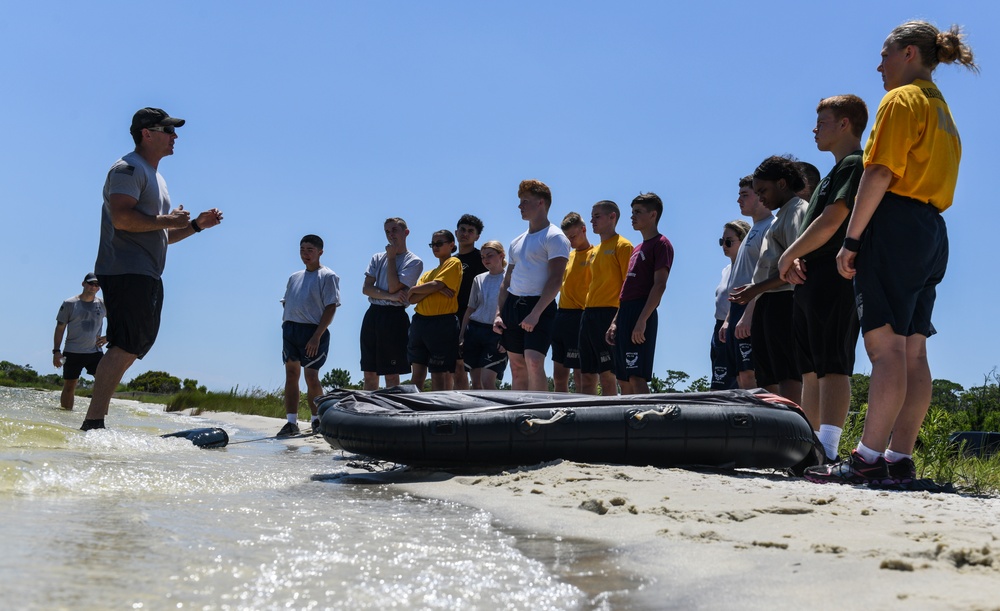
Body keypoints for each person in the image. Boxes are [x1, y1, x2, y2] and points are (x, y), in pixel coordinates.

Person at [806, 21, 977, 484]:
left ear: (907, 54)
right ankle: (898, 460)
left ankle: (864, 458)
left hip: (896, 226)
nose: (878, 65)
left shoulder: (901, 99)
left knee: (884, 349)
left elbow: (878, 172)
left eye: (884, 54)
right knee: (913, 351)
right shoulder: (942, 108)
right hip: (932, 229)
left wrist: (853, 239)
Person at [81, 108, 223, 431]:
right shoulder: (128, 169)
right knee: (125, 344)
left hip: (146, 274)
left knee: (133, 345)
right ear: (147, 133)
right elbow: (121, 218)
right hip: (124, 270)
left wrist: (197, 226)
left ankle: (96, 419)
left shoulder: (157, 177)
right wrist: (167, 220)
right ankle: (93, 422)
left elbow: (160, 234)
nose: (175, 137)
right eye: (168, 130)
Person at [778, 95, 868, 458]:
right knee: (810, 368)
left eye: (823, 121)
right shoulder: (832, 171)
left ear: (845, 124)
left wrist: (790, 253)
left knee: (833, 363)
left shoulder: (853, 164)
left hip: (836, 276)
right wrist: (800, 259)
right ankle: (811, 447)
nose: (815, 129)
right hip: (810, 279)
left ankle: (829, 449)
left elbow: (832, 221)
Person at [729, 156, 808, 404]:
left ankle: (794, 425)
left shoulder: (796, 210)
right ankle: (774, 427)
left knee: (787, 372)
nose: (760, 197)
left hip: (784, 300)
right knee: (767, 373)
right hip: (767, 302)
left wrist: (756, 289)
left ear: (782, 183)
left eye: (763, 190)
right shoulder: (782, 213)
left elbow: (796, 263)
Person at [493, 180, 571, 391]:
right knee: (517, 367)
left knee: (534, 362)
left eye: (525, 201)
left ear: (541, 203)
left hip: (540, 305)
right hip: (513, 307)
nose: (520, 206)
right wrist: (498, 313)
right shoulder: (516, 242)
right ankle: (519, 417)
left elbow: (556, 279)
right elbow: (506, 282)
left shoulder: (555, 237)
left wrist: (536, 313)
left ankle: (542, 417)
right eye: (520, 202)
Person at [606, 193, 673, 394]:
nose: (632, 216)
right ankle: (627, 423)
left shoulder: (661, 244)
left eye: (638, 212)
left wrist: (643, 320)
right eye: (632, 212)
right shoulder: (636, 249)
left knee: (636, 376)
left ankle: (649, 423)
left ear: (653, 215)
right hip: (625, 312)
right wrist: (615, 321)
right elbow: (626, 288)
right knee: (623, 378)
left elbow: (660, 285)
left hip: (642, 311)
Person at [278, 235, 340, 437]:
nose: (305, 253)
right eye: (302, 249)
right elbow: (287, 302)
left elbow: (331, 307)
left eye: (310, 250)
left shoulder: (328, 276)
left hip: (313, 331)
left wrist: (316, 336)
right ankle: (291, 422)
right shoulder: (294, 276)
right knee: (291, 374)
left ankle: (317, 421)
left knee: (311, 376)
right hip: (291, 330)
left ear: (320, 252)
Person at [720, 177, 773, 390]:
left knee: (750, 373)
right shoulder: (753, 229)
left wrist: (748, 315)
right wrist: (728, 319)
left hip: (752, 307)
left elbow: (764, 275)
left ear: (760, 196)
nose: (738, 200)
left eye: (745, 195)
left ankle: (764, 421)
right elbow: (740, 279)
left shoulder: (770, 226)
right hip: (737, 309)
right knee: (740, 376)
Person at [361, 218, 424, 390]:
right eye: (387, 231)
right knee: (369, 372)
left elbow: (394, 286)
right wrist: (391, 296)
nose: (391, 235)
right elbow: (366, 288)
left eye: (394, 230)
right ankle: (369, 413)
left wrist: (391, 258)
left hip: (394, 317)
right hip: (373, 314)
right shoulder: (376, 257)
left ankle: (391, 411)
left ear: (406, 232)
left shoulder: (414, 261)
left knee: (391, 372)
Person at [580, 200, 633, 395]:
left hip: (609, 314)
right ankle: (586, 422)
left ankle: (612, 423)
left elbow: (629, 286)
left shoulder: (623, 246)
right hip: (588, 314)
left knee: (608, 374)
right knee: (585, 375)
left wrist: (617, 320)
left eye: (597, 216)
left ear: (612, 217)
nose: (592, 220)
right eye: (591, 216)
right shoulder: (593, 251)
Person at [407, 230, 463, 391]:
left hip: (442, 323)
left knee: (439, 372)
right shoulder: (428, 274)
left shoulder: (454, 262)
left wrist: (421, 289)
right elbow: (412, 299)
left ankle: (438, 411)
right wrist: (432, 288)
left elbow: (434, 285)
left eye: (439, 243)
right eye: (433, 244)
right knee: (417, 372)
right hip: (420, 323)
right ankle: (413, 408)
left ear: (452, 245)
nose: (435, 248)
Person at [551, 212, 593, 392]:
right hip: (561, 315)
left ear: (584, 229)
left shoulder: (595, 254)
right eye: (567, 238)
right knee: (559, 376)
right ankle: (559, 414)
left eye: (573, 236)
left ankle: (583, 416)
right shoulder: (567, 256)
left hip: (581, 316)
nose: (570, 241)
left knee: (581, 374)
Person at [53, 273, 106, 410]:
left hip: (95, 351)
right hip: (73, 351)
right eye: (90, 283)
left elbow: (116, 321)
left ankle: (98, 417)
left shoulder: (102, 304)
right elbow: (60, 328)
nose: (93, 287)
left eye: (96, 285)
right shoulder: (70, 303)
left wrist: (108, 337)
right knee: (70, 384)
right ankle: (66, 415)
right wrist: (56, 352)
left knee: (104, 383)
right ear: (83, 284)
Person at [460, 241, 509, 390]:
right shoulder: (478, 279)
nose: (485, 259)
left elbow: (512, 311)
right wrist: (462, 335)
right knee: (475, 383)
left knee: (487, 382)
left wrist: (507, 338)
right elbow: (470, 309)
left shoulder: (509, 278)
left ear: (501, 256)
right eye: (482, 257)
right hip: (475, 329)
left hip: (496, 332)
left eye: (490, 255)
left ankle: (498, 412)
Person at [711, 221, 749, 390]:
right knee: (719, 379)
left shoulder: (747, 267)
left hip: (737, 325)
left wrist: (730, 322)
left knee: (738, 378)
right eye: (722, 241)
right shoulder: (726, 269)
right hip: (720, 328)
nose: (724, 246)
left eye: (729, 241)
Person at [452, 214, 487, 390]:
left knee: (476, 371)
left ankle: (481, 412)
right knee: (457, 369)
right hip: (452, 318)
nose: (465, 234)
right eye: (462, 230)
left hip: (477, 320)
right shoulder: (450, 260)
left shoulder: (483, 259)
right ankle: (460, 411)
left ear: (477, 236)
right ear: (456, 233)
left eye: (470, 231)